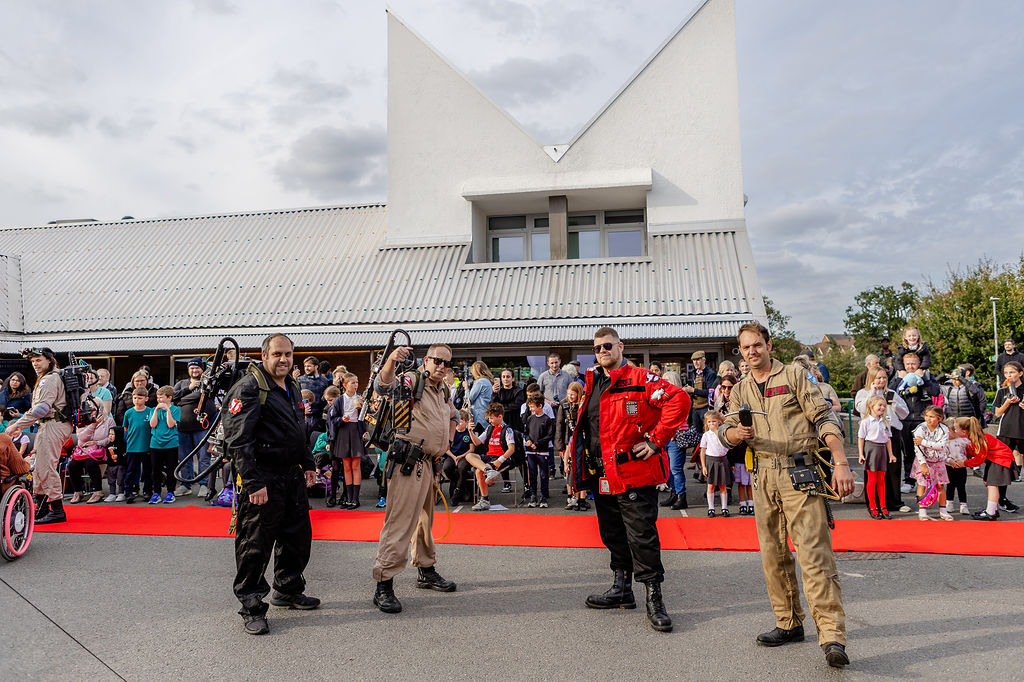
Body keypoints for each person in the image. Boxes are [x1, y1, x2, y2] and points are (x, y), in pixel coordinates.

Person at [719, 321, 853, 668]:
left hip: (800, 473)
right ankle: (789, 622)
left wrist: (840, 462)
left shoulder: (794, 375)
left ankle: (832, 636)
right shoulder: (741, 389)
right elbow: (722, 429)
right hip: (763, 475)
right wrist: (734, 433)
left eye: (757, 345)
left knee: (813, 555)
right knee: (773, 556)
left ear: (769, 345)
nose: (751, 351)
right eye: (745, 347)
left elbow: (825, 417)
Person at [567, 326, 689, 633]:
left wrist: (656, 441)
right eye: (597, 348)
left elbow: (679, 401)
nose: (602, 351)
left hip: (635, 474)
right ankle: (621, 588)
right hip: (601, 474)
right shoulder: (593, 382)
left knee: (642, 536)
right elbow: (588, 427)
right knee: (612, 533)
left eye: (607, 345)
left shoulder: (641, 379)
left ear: (621, 346)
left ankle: (654, 598)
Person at [222, 333, 319, 635]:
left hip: (291, 476)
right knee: (255, 546)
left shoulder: (291, 385)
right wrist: (253, 483)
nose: (284, 359)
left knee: (297, 537)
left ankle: (288, 588)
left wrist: (308, 463)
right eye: (277, 354)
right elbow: (239, 441)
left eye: (288, 354)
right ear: (264, 356)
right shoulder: (249, 388)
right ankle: (251, 605)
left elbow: (297, 428)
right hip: (262, 478)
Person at [371, 342, 458, 614]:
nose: (441, 366)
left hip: (429, 463)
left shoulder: (442, 389)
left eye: (445, 363)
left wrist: (448, 439)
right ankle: (383, 583)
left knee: (425, 520)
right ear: (426, 360)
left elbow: (454, 415)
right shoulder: (412, 379)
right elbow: (382, 387)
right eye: (436, 360)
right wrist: (392, 361)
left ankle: (425, 567)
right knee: (400, 522)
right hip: (408, 462)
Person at [5, 348, 74, 525]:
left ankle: (57, 510)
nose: (35, 363)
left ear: (49, 360)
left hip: (53, 424)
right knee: (41, 466)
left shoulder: (50, 379)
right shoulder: (49, 377)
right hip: (50, 424)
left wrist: (18, 425)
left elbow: (42, 408)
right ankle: (43, 507)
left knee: (47, 467)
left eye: (39, 360)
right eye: (33, 361)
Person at [855, 366, 909, 513]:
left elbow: (905, 414)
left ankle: (894, 502)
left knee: (892, 469)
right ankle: (873, 503)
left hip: (891, 433)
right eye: (878, 377)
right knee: (873, 472)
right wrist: (872, 393)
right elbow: (860, 408)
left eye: (884, 377)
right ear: (871, 379)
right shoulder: (863, 393)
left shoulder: (891, 393)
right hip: (872, 436)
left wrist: (894, 405)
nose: (881, 380)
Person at [890, 352, 940, 490]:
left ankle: (926, 479)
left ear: (919, 364)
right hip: (905, 420)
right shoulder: (898, 376)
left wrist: (923, 379)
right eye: (908, 364)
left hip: (922, 419)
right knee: (908, 452)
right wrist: (899, 379)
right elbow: (889, 391)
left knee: (925, 450)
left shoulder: (927, 375)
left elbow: (936, 391)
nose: (911, 367)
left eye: (913, 364)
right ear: (903, 365)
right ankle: (909, 480)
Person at [956, 416, 1018, 520]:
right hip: (996, 459)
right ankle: (992, 509)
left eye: (956, 428)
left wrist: (964, 463)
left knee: (992, 485)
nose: (955, 430)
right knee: (989, 483)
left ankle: (991, 512)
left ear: (964, 431)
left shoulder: (980, 440)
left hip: (1000, 459)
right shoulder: (977, 438)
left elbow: (979, 459)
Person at [173, 357, 215, 498]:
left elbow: (207, 398)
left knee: (203, 457)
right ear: (188, 369)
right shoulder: (181, 383)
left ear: (202, 369)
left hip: (202, 427)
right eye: (192, 367)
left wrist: (182, 401)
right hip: (182, 427)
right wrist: (189, 389)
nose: (194, 370)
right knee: (184, 458)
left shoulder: (208, 382)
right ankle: (185, 485)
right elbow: (172, 398)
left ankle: (204, 484)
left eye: (197, 367)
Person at [466, 403, 516, 510]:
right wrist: (470, 432)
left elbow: (511, 449)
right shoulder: (489, 428)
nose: (490, 421)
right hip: (489, 457)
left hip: (501, 458)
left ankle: (484, 500)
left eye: (491, 418)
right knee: (469, 455)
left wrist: (500, 460)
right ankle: (488, 470)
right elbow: (477, 442)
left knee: (478, 472)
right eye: (489, 418)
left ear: (500, 417)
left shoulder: (507, 430)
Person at [326, 373, 365, 508]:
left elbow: (367, 415)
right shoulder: (339, 400)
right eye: (353, 383)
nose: (356, 385)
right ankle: (348, 498)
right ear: (345, 385)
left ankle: (355, 498)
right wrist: (341, 419)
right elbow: (333, 418)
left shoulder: (361, 398)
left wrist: (362, 410)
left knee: (356, 465)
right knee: (347, 467)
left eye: (357, 382)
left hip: (355, 431)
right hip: (343, 431)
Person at [911, 406, 953, 521]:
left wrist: (923, 442)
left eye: (932, 417)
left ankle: (943, 511)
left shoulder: (944, 429)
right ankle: (922, 510)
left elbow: (941, 446)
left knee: (940, 485)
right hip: (923, 460)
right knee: (922, 484)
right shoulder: (920, 428)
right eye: (926, 416)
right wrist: (923, 464)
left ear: (939, 418)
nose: (928, 419)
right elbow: (917, 448)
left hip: (938, 461)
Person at [857, 396, 896, 519]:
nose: (882, 408)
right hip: (871, 449)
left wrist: (891, 454)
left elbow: (888, 439)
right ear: (871, 407)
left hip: (882, 449)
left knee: (881, 479)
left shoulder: (885, 421)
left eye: (884, 405)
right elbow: (861, 438)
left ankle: (883, 506)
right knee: (872, 479)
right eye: (879, 405)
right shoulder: (866, 422)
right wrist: (861, 453)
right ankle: (873, 506)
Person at [67, 410, 115, 504]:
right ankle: (77, 491)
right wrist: (93, 425)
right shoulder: (81, 421)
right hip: (83, 451)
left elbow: (110, 437)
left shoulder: (108, 421)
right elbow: (82, 437)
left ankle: (98, 491)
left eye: (94, 410)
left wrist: (97, 443)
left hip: (99, 449)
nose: (91, 412)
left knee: (91, 463)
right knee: (72, 465)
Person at [993, 361, 1024, 502]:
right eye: (1006, 373)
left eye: (1012, 372)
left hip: (1022, 430)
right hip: (1006, 431)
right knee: (1002, 465)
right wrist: (1008, 402)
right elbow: (997, 413)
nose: (1009, 375)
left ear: (1020, 373)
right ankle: (1001, 499)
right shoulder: (1002, 391)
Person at [556, 382, 589, 511]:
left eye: (573, 394)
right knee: (569, 470)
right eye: (568, 393)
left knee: (583, 469)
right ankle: (572, 498)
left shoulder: (584, 404)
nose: (570, 396)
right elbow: (559, 426)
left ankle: (582, 499)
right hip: (568, 440)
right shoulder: (563, 405)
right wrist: (560, 446)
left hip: (583, 440)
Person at [659, 370, 690, 511]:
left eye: (667, 380)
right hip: (666, 436)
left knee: (676, 469)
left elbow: (680, 416)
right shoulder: (665, 396)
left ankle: (681, 497)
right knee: (669, 470)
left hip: (676, 436)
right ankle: (673, 494)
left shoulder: (681, 396)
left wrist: (673, 430)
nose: (663, 382)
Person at [523, 394, 555, 508]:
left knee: (543, 475)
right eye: (530, 407)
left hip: (543, 451)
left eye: (532, 407)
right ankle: (533, 495)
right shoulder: (530, 418)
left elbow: (550, 435)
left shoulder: (547, 419)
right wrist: (527, 441)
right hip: (530, 451)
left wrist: (537, 443)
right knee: (532, 474)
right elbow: (526, 432)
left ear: (540, 406)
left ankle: (543, 496)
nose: (531, 409)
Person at [699, 411, 732, 517]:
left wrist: (717, 432)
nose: (711, 424)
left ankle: (724, 508)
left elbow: (726, 445)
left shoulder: (723, 433)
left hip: (722, 461)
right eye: (709, 422)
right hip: (710, 461)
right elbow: (703, 451)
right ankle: (711, 508)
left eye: (714, 421)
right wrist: (703, 466)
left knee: (723, 486)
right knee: (711, 486)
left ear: (719, 422)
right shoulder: (706, 435)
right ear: (706, 423)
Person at [122, 387, 152, 503]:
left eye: (140, 398)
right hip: (132, 446)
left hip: (146, 446)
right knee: (130, 470)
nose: (137, 400)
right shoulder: (128, 413)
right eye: (135, 398)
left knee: (147, 471)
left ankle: (147, 491)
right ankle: (129, 492)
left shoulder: (150, 411)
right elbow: (126, 428)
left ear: (146, 399)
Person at [684, 350, 717, 431]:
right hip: (695, 407)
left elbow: (710, 393)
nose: (696, 362)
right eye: (694, 360)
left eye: (698, 359)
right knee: (696, 432)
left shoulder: (711, 374)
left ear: (704, 360)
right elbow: (692, 388)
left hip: (705, 408)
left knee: (707, 431)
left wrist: (693, 390)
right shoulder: (693, 373)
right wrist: (687, 390)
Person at [297, 355, 330, 431]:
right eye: (305, 366)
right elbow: (296, 398)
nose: (306, 368)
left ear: (316, 367)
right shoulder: (300, 380)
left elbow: (326, 399)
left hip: (319, 417)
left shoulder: (324, 381)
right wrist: (302, 409)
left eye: (309, 366)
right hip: (305, 416)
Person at [467, 361, 494, 433]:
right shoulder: (488, 381)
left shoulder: (480, 382)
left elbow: (469, 399)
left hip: (479, 416)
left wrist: (466, 389)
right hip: (486, 414)